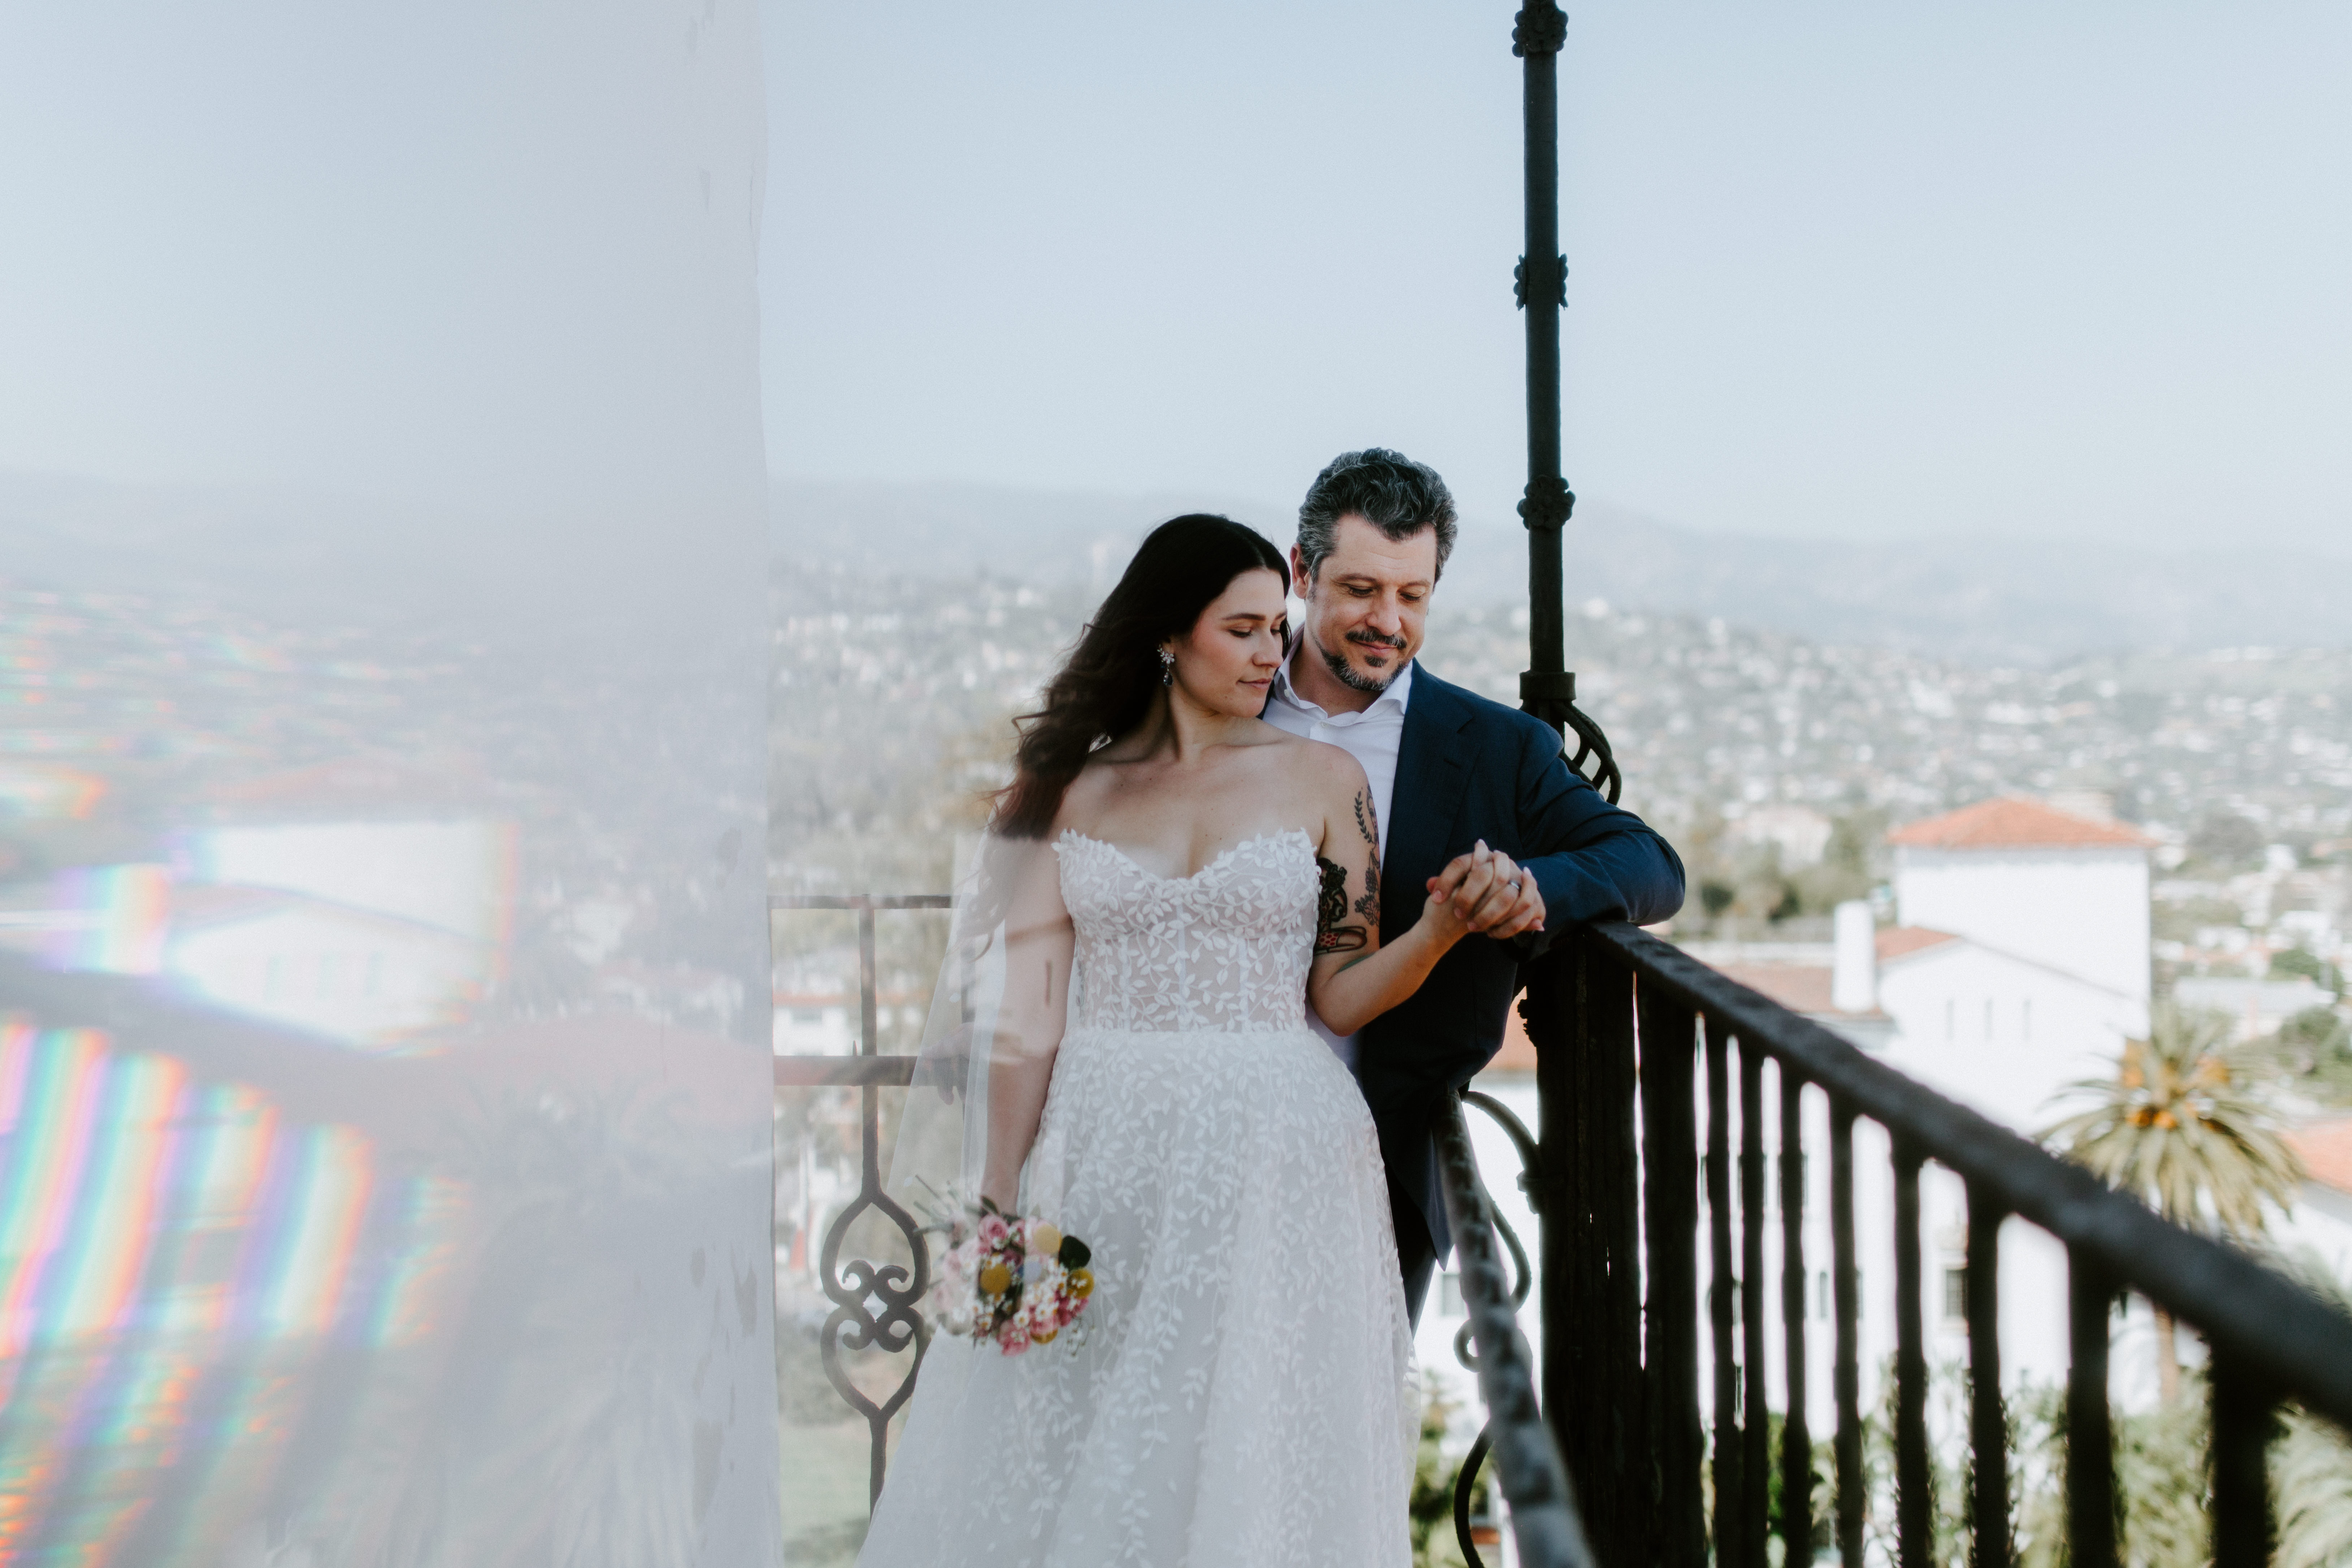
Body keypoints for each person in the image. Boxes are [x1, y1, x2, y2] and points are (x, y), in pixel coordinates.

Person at [858, 515, 1528, 1568]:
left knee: (1246, 1446)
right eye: (1247, 629)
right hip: (1103, 1147)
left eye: (1279, 626)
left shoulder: (1322, 783)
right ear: (1172, 634)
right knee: (1076, 1429)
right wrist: (994, 1197)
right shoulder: (1074, 792)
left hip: (1281, 1156)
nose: (1275, 653)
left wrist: (1438, 932)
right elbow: (1029, 1019)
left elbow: (1341, 998)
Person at [1261, 448, 1686, 1325]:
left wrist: (1523, 886)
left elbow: (1651, 864)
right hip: (1209, 1136)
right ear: (1302, 572)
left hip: (1385, 1159)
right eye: (1361, 590)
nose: (1387, 620)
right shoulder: (1221, 702)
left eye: (1412, 597)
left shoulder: (1497, 747)